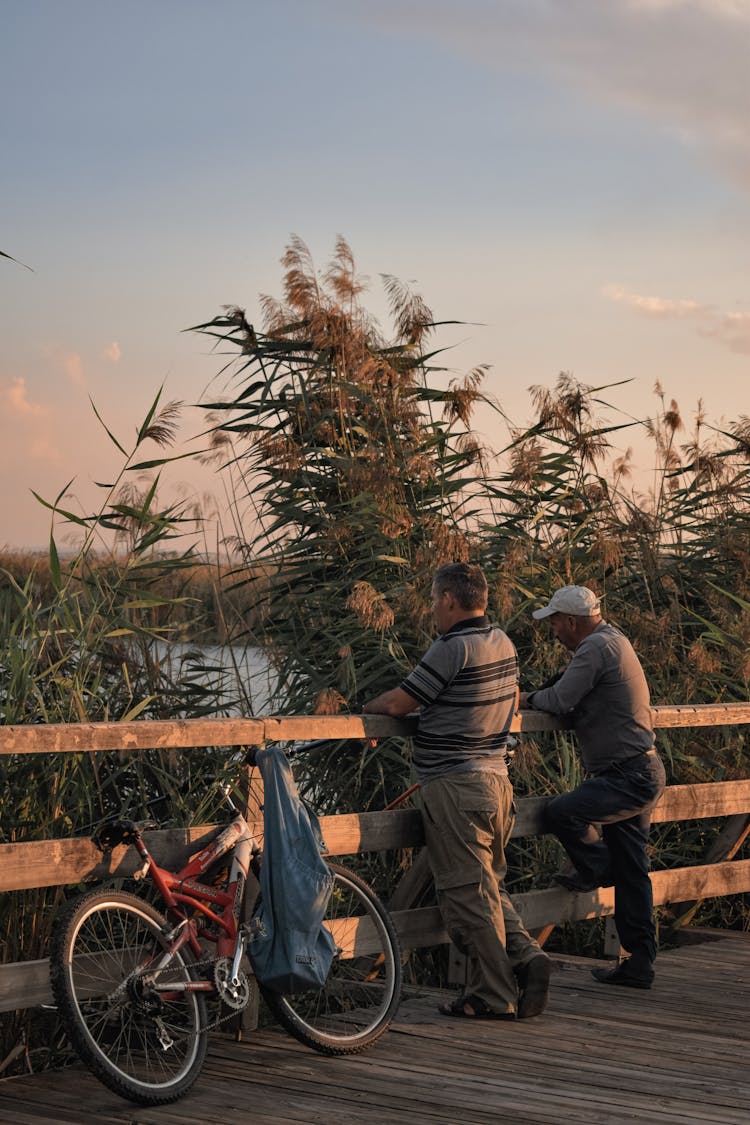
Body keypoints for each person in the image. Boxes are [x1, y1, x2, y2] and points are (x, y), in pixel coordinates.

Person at [363, 562, 551, 1020]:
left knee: (467, 893)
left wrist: (366, 711)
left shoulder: (452, 647)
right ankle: (526, 957)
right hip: (496, 782)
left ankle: (492, 994)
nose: (431, 610)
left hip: (456, 784)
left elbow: (401, 702)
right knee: (486, 885)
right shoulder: (502, 642)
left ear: (449, 599)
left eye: (432, 600)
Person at [519, 585, 667, 990]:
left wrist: (527, 698)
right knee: (634, 871)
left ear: (571, 621)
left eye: (554, 623)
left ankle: (599, 868)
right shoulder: (613, 638)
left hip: (628, 775)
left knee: (562, 812)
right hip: (639, 768)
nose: (553, 632)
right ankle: (639, 963)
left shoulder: (594, 648)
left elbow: (563, 699)